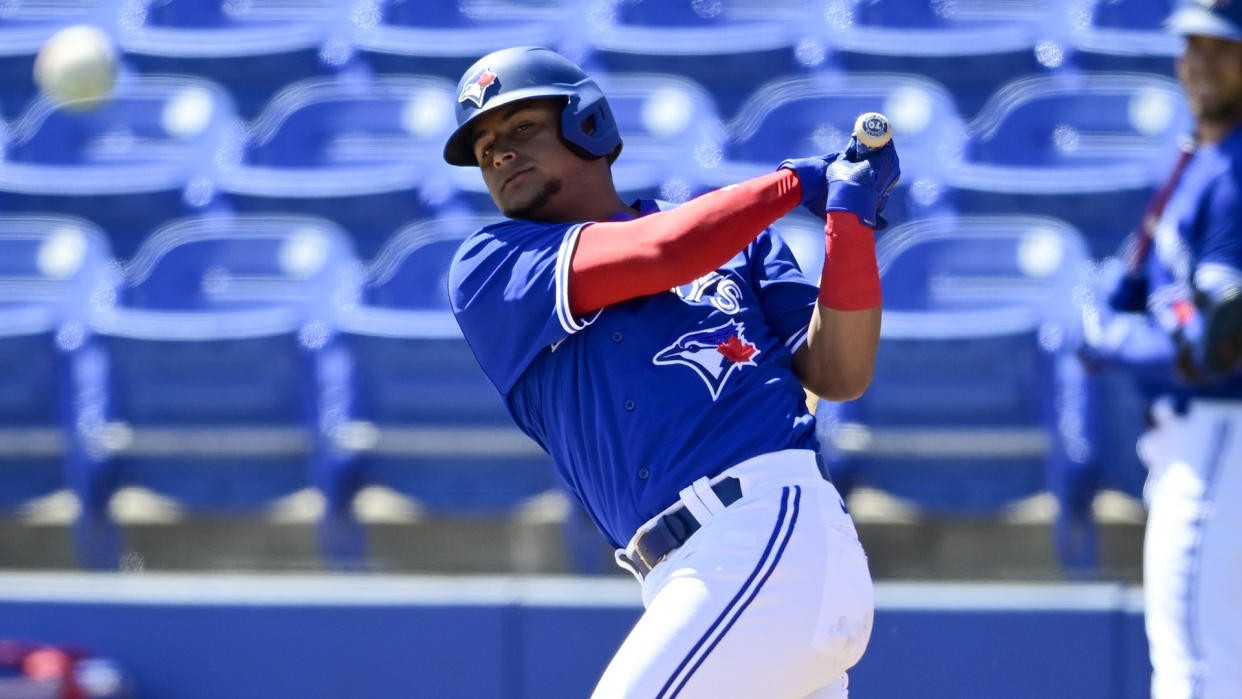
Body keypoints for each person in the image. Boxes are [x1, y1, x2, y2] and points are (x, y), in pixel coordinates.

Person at [444, 47, 898, 698]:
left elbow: (839, 371)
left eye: (521, 128)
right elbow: (664, 251)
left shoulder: (740, 240)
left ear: (589, 126)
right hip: (692, 577)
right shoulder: (492, 266)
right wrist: (793, 183)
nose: (500, 153)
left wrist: (849, 224)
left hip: (764, 535)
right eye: (484, 146)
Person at [1080, 2, 1242, 696]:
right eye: (1191, 46)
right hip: (1198, 437)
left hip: (1220, 435)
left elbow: (1216, 345)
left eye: (1222, 47)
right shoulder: (1197, 155)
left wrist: (1112, 335)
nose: (1202, 62)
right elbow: (1141, 282)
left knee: (1193, 665)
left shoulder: (1234, 176)